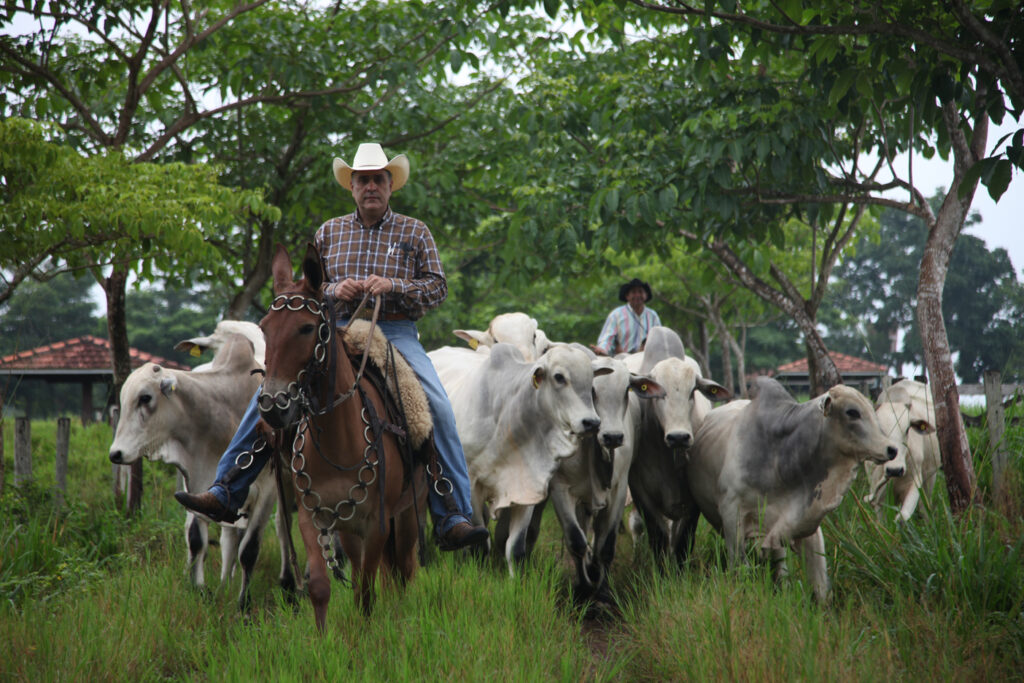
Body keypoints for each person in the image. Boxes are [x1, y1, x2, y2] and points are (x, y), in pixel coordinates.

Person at [174, 142, 489, 551]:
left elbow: (437, 288)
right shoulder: (329, 232)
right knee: (270, 391)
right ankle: (227, 490)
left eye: (379, 179)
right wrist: (336, 289)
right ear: (352, 186)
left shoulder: (415, 231)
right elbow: (310, 290)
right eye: (363, 180)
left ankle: (452, 514)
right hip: (335, 330)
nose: (371, 186)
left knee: (436, 407)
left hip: (394, 333)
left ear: (391, 185)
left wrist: (393, 285)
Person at [590, 277, 662, 356]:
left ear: (646, 295)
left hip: (646, 359)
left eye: (640, 292)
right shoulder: (616, 315)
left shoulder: (653, 316)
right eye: (633, 292)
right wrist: (603, 349)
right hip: (622, 360)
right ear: (627, 296)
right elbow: (608, 338)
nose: (637, 295)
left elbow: (659, 339)